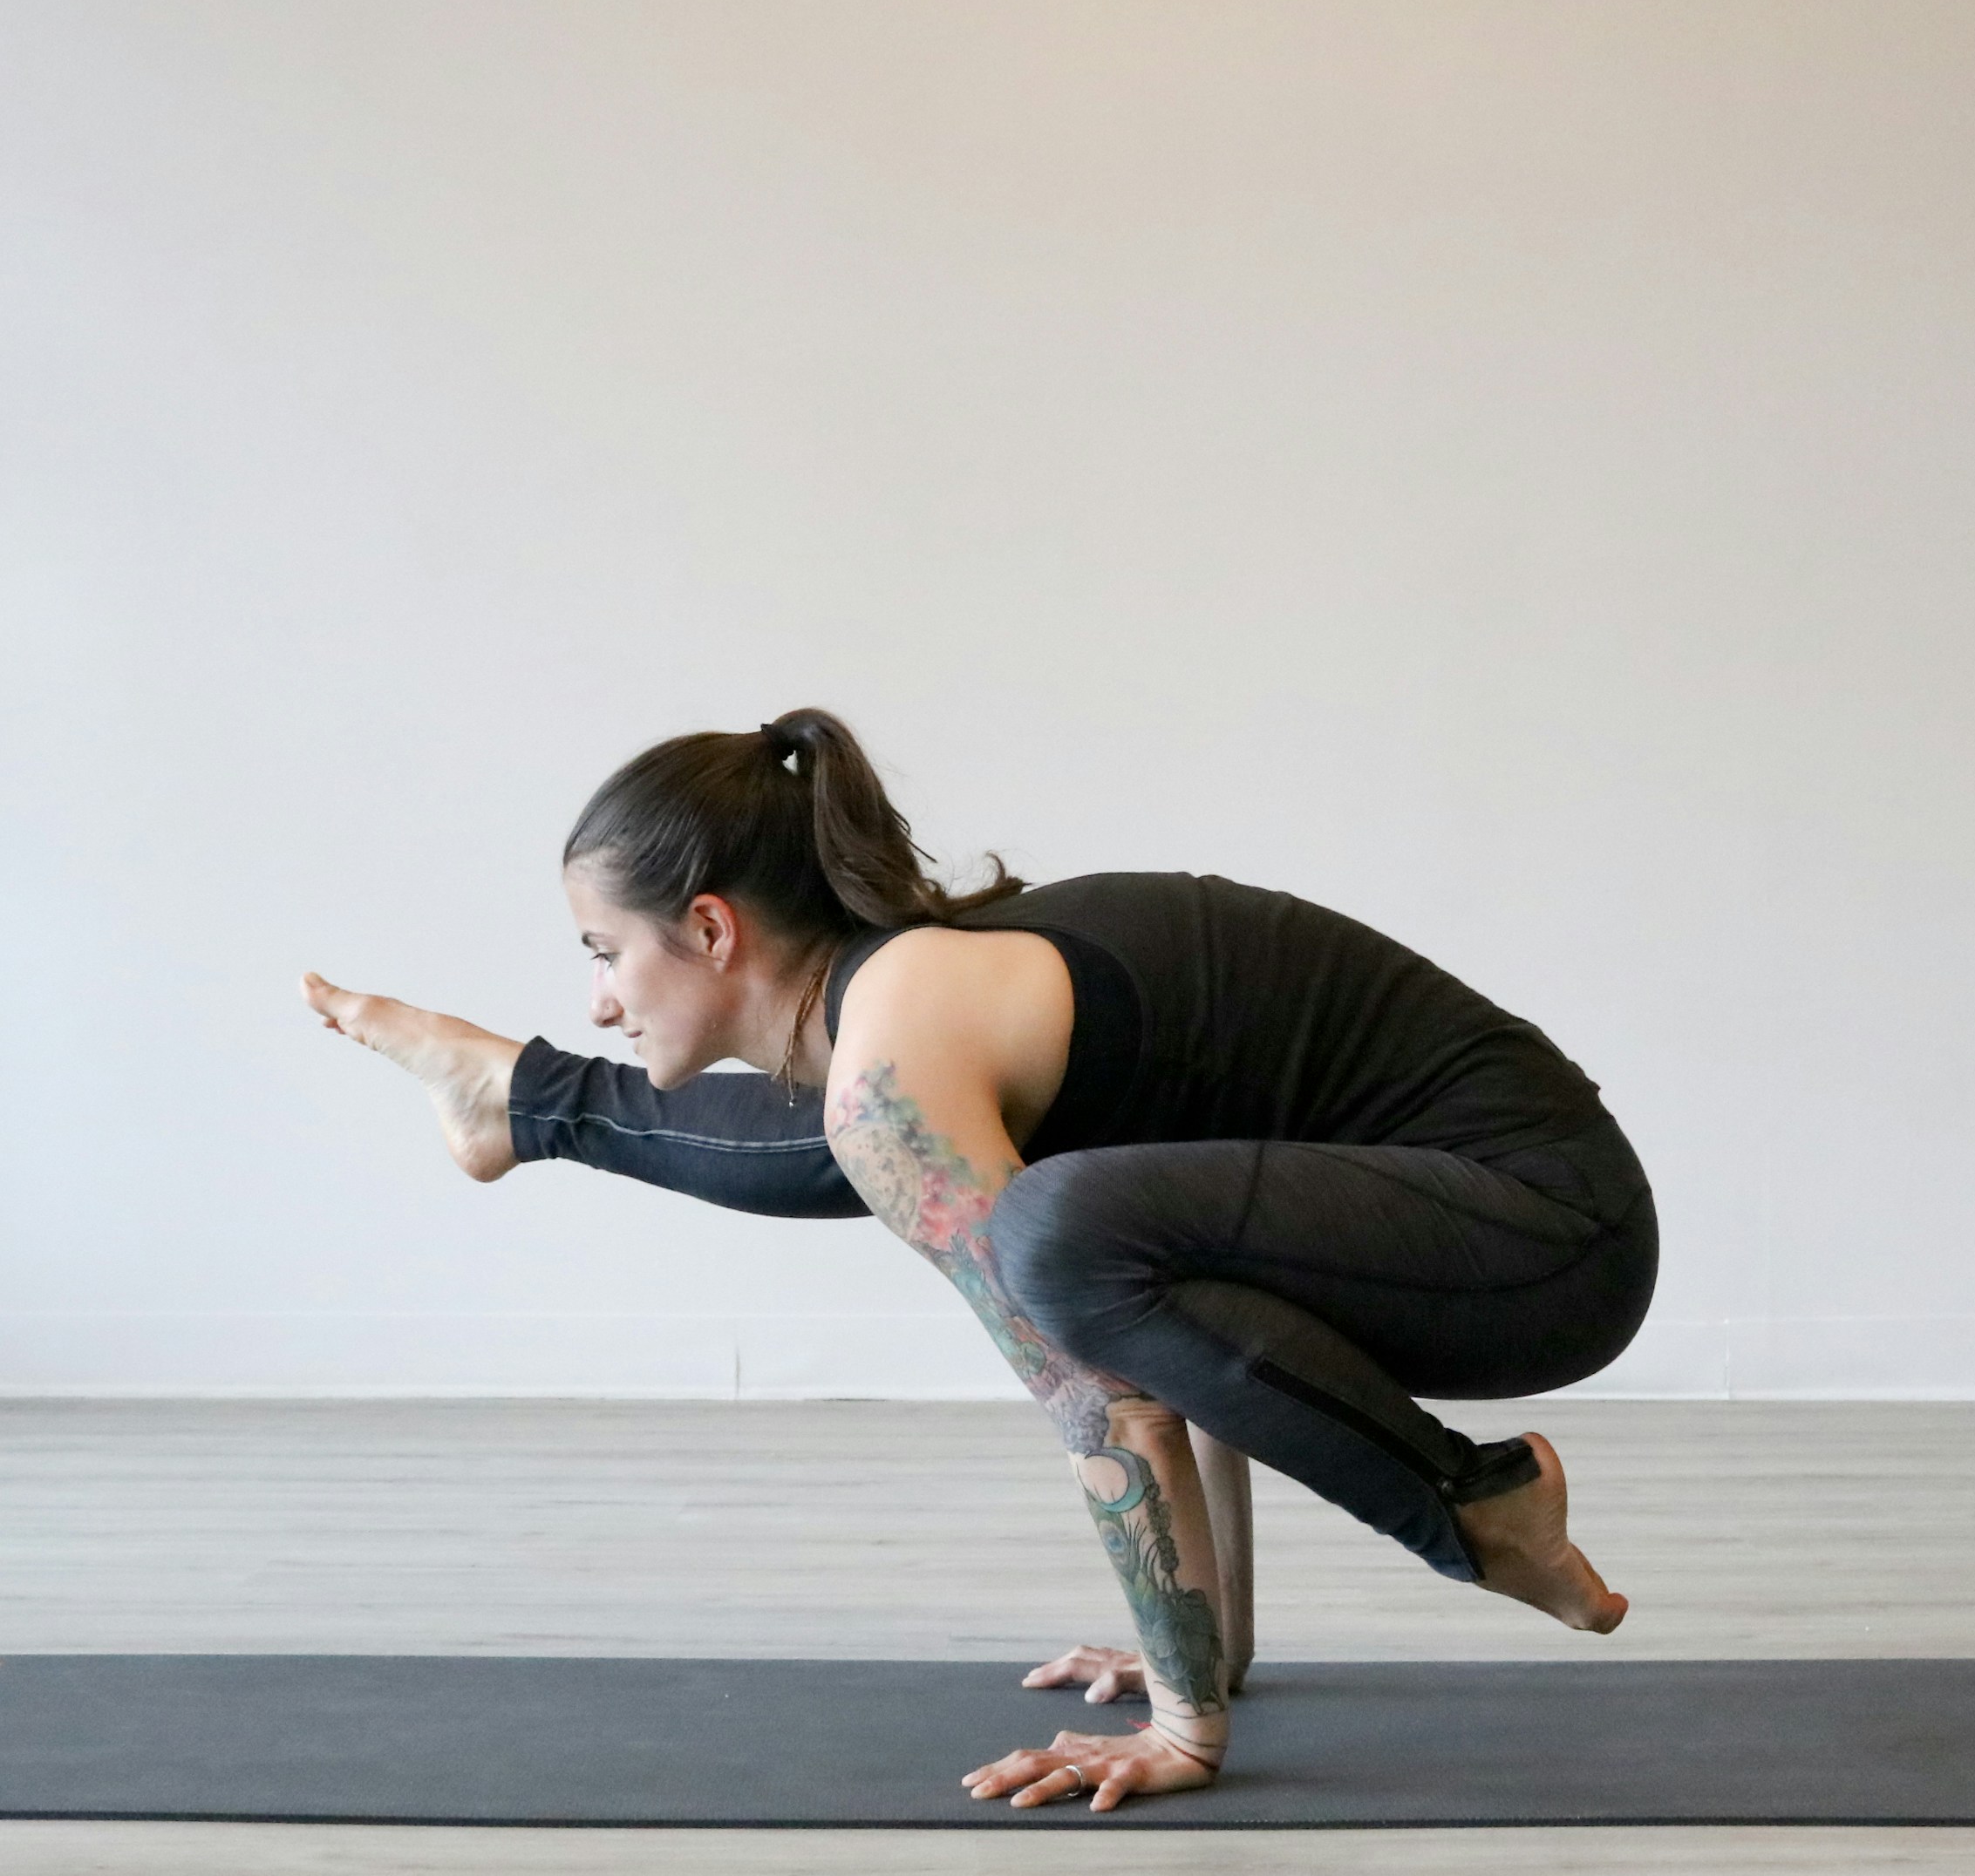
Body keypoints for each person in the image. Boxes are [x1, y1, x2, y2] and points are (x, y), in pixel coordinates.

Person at [299, 708, 1657, 1813]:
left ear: (712, 930)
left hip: (1540, 1232)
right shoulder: (908, 999)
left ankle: (1471, 1504)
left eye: (606, 954)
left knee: (1034, 1226)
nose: (599, 991)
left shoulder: (897, 1052)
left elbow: (1102, 1404)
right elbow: (1185, 1338)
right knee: (979, 1191)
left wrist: (1185, 1724)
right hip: (1455, 1217)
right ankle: (522, 1100)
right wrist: (1217, 1654)